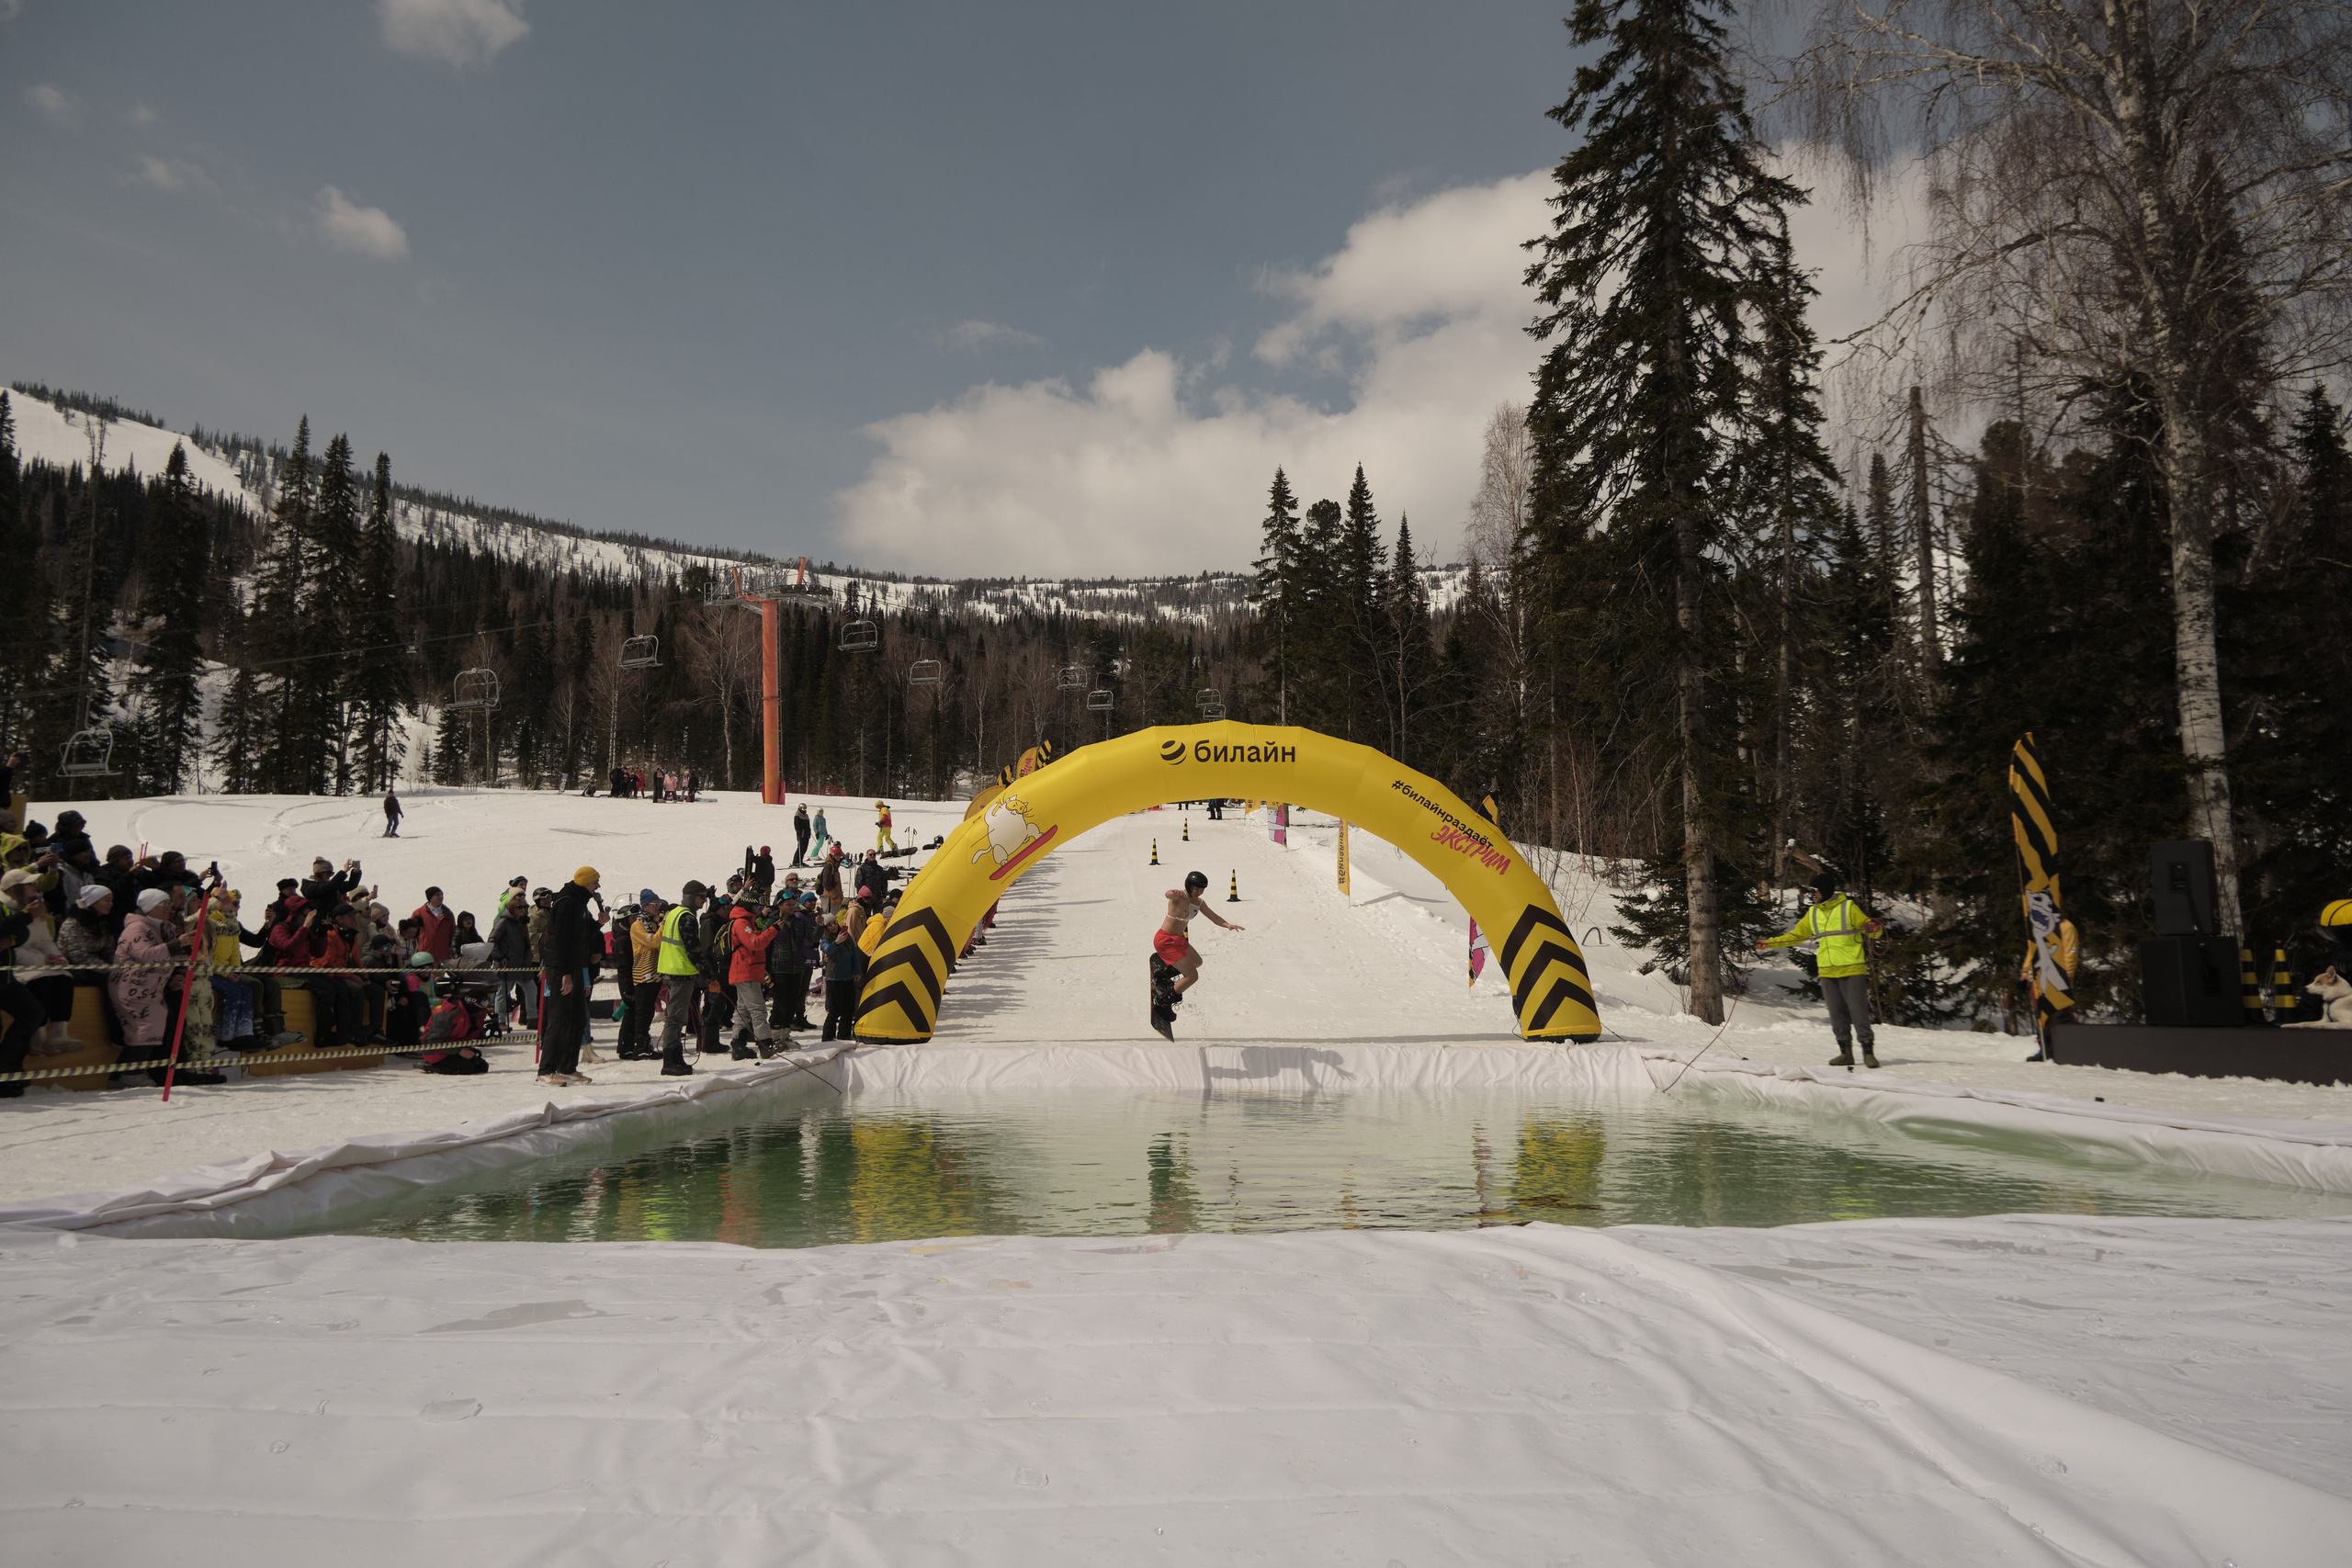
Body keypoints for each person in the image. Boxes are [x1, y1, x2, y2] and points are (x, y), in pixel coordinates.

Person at [1758, 870, 1886, 1069]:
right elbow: (1796, 936)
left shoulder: (1848, 908)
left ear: (1825, 890)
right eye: (1811, 892)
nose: (1812, 895)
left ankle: (1868, 1052)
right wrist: (1769, 943)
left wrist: (1874, 929)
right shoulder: (1814, 913)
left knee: (1858, 1011)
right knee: (1836, 1014)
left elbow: (1872, 930)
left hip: (1852, 968)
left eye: (1814, 891)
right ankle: (1846, 1053)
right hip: (1827, 970)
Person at [538, 867, 603, 1086]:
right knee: (558, 1021)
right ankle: (546, 1070)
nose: (598, 886)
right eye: (595, 882)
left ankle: (567, 1067)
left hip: (575, 967)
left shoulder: (580, 903)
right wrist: (566, 973)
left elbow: (580, 936)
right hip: (561, 969)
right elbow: (561, 941)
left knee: (577, 1020)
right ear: (585, 882)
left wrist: (599, 924)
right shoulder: (567, 903)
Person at [1155, 870, 1245, 1007]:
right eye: (1197, 889)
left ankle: (1162, 975)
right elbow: (1168, 894)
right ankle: (1164, 1001)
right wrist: (1172, 892)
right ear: (1189, 886)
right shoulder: (1179, 896)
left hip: (1178, 940)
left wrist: (1228, 925)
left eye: (1202, 890)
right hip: (1166, 940)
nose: (1199, 892)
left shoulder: (1199, 902)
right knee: (1192, 976)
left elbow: (1213, 916)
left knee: (1197, 961)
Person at [654, 880, 712, 1076]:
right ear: (691, 897)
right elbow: (694, 951)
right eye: (701, 897)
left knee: (676, 1017)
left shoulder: (674, 913)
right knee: (676, 1019)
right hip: (680, 973)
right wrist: (710, 978)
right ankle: (670, 1061)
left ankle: (675, 1058)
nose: (704, 901)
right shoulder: (687, 918)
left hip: (671, 971)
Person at [2019, 890, 2080, 1062]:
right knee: (2043, 1017)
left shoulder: (2066, 927)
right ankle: (2046, 1050)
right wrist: (2025, 973)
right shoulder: (2041, 926)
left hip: (2058, 981)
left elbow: (2070, 955)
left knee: (2061, 1016)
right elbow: (2032, 952)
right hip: (2039, 982)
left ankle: (2070, 1050)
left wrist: (2066, 979)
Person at [725, 894, 782, 1059]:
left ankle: (739, 1045)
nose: (759, 909)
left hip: (747, 970)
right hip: (746, 971)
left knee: (743, 1009)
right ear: (749, 906)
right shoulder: (742, 922)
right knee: (758, 1009)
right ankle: (765, 1045)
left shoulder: (746, 921)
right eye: (757, 906)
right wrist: (774, 930)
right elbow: (755, 943)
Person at [618, 890, 664, 1060]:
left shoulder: (652, 923)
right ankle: (640, 1047)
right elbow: (654, 942)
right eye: (655, 905)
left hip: (655, 973)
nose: (658, 908)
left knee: (647, 1011)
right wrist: (664, 925)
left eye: (659, 904)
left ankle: (639, 1045)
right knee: (643, 1012)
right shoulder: (638, 925)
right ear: (645, 906)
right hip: (643, 974)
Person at [489, 891, 537, 1032]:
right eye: (519, 907)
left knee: (531, 989)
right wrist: (499, 957)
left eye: (524, 907)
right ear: (512, 908)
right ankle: (500, 1021)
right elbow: (492, 940)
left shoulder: (522, 922)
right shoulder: (504, 921)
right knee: (503, 993)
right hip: (507, 964)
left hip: (522, 964)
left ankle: (532, 1018)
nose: (523, 910)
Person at [820, 905, 866, 1042]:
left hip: (847, 978)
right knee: (834, 1011)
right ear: (826, 927)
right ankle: (828, 1037)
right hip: (834, 979)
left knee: (848, 1009)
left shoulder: (846, 937)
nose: (833, 926)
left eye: (835, 923)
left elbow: (854, 955)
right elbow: (827, 950)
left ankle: (844, 1035)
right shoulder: (825, 939)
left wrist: (857, 971)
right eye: (830, 925)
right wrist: (837, 942)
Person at [413, 886, 456, 963]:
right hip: (423, 955)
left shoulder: (448, 914)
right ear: (430, 897)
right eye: (437, 895)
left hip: (442, 955)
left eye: (442, 894)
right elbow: (412, 933)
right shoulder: (418, 913)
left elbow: (453, 933)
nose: (441, 897)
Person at [791, 803, 811, 868]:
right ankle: (795, 862)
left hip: (806, 834)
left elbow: (808, 825)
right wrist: (799, 832)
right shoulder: (797, 815)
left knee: (804, 848)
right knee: (800, 848)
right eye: (803, 808)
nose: (804, 810)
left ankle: (800, 861)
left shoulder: (806, 815)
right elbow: (796, 825)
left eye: (805, 808)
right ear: (800, 808)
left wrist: (809, 832)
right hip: (801, 834)